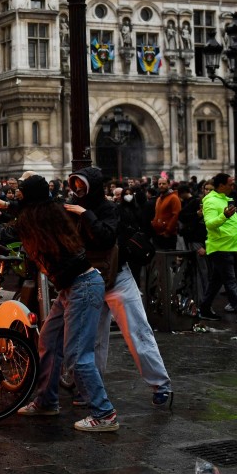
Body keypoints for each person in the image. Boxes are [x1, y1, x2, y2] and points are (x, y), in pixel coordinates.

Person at [0, 175, 119, 432]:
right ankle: (46, 401)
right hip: (71, 288)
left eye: (21, 191)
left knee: (77, 355)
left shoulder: (36, 221)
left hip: (83, 287)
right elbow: (15, 216)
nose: (16, 193)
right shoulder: (45, 211)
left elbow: (0, 233)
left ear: (30, 196)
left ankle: (104, 413)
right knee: (49, 342)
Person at [66, 168, 173, 408]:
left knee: (136, 330)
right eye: (75, 185)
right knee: (92, 338)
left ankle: (160, 384)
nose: (77, 190)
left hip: (116, 276)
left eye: (81, 185)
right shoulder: (73, 207)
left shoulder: (109, 209)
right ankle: (89, 388)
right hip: (87, 277)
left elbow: (105, 237)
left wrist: (85, 215)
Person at [198, 173, 237, 324]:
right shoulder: (211, 200)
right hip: (220, 247)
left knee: (216, 281)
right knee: (231, 282)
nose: (233, 187)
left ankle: (204, 308)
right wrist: (224, 216)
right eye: (230, 184)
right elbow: (210, 224)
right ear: (221, 186)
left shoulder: (225, 198)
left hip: (229, 246)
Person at [151, 176, 181, 250]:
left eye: (164, 184)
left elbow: (176, 215)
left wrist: (168, 231)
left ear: (168, 185)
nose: (161, 185)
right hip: (158, 234)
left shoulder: (174, 198)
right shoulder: (159, 199)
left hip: (168, 235)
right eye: (159, 184)